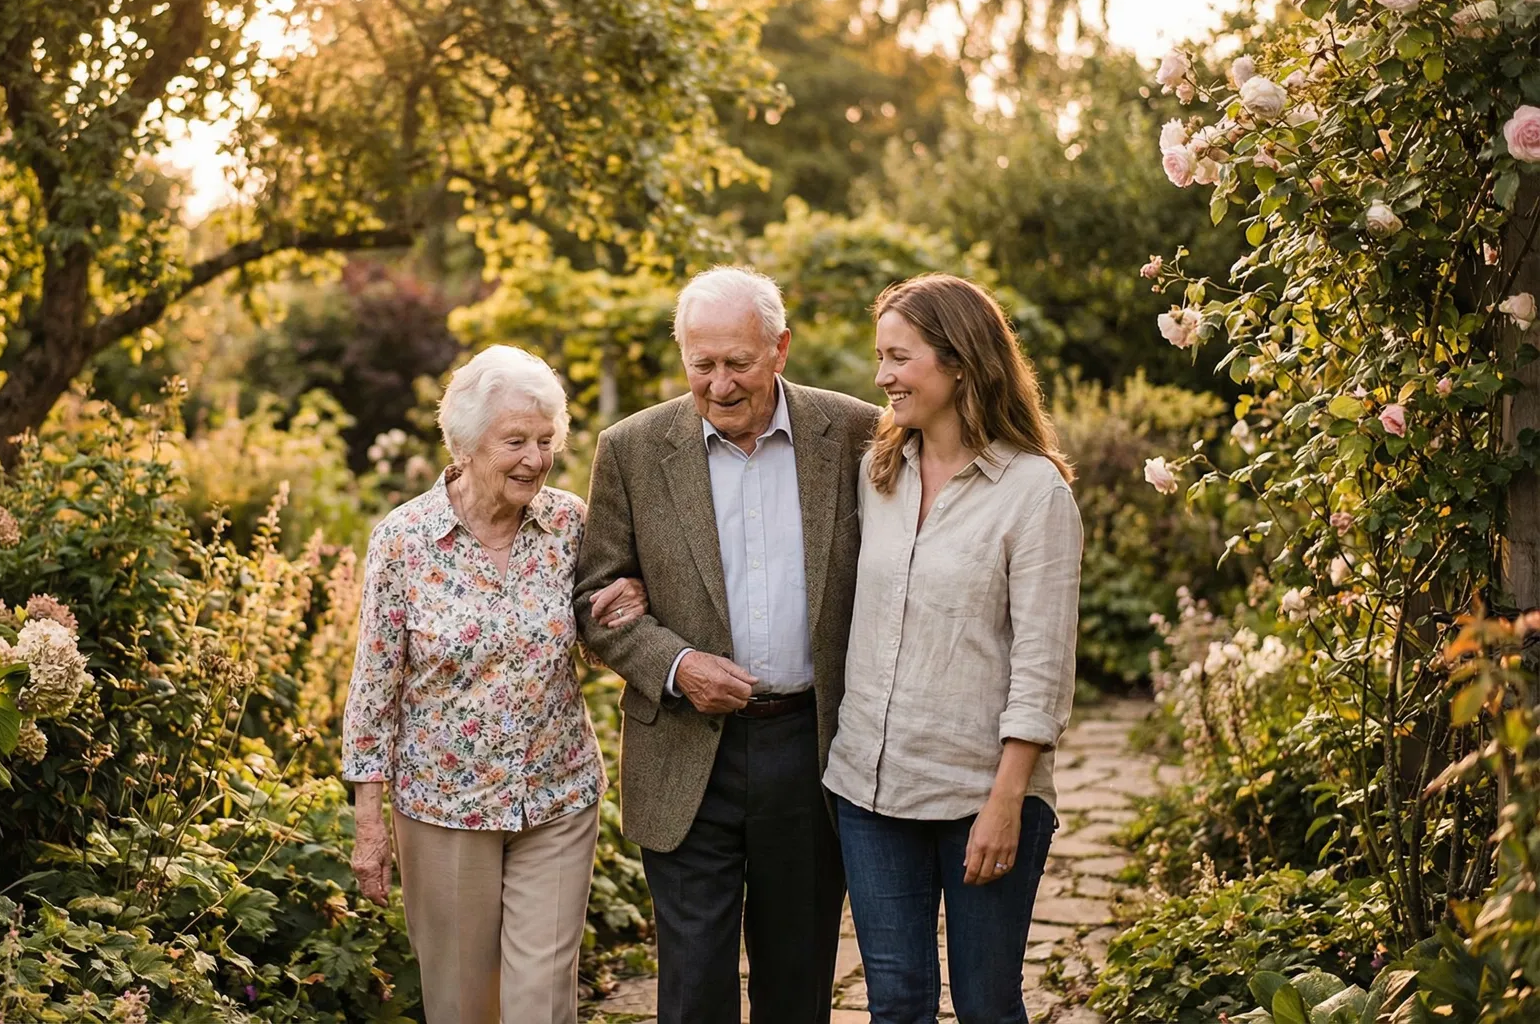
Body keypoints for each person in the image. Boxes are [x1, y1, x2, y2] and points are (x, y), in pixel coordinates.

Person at [574, 266, 882, 1024]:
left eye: (736, 362)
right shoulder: (632, 449)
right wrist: (674, 666)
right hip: (683, 750)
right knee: (692, 986)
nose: (718, 384)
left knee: (798, 978)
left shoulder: (853, 432)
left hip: (808, 747)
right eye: (700, 363)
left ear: (779, 349)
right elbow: (593, 604)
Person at [341, 345, 647, 1024]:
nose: (535, 460)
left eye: (546, 441)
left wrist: (622, 607)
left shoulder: (567, 523)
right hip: (445, 807)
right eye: (516, 442)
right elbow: (374, 684)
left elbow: (594, 637)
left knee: (542, 1005)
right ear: (467, 443)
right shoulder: (406, 540)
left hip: (556, 796)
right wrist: (370, 821)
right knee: (462, 1006)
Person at [826, 274, 1083, 1024]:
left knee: (986, 1008)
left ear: (961, 361)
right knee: (896, 1006)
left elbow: (1044, 667)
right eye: (880, 358)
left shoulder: (1034, 493)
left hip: (983, 795)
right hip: (871, 792)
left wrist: (1006, 801)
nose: (882, 377)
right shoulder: (876, 472)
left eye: (899, 358)